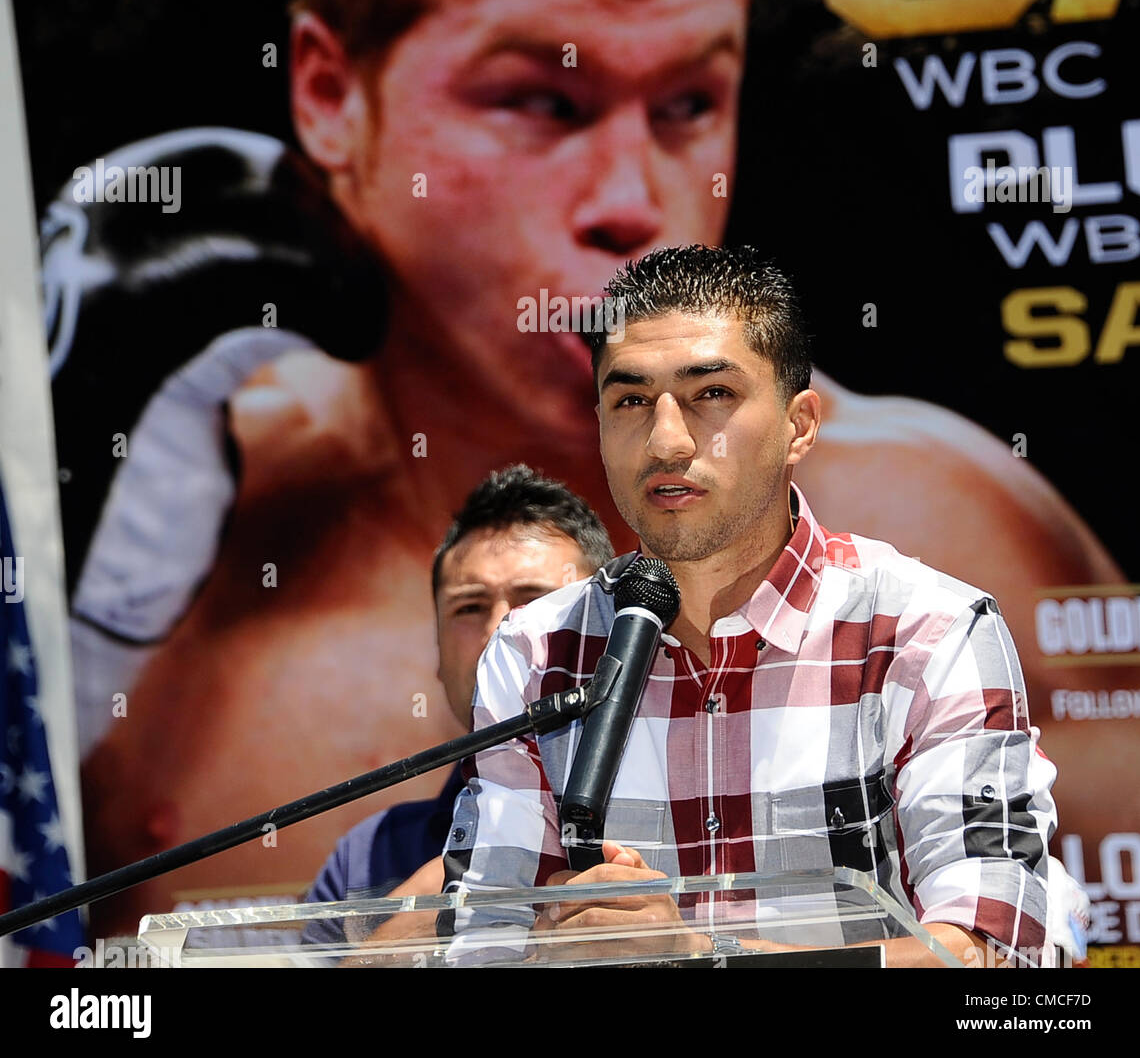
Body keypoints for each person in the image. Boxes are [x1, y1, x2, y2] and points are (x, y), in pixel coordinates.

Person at [69, 0, 1122, 934]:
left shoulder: (944, 578)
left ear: (794, 423)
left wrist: (698, 951)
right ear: (331, 95)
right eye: (543, 100)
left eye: (685, 103)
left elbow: (1015, 968)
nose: (631, 198)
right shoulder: (210, 545)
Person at [441, 244, 1058, 967]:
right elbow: (480, 949)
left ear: (799, 425)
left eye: (711, 395)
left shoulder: (928, 631)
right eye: (631, 400)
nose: (666, 440)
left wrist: (699, 954)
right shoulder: (534, 652)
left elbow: (993, 956)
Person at [300, 463, 612, 956]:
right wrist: (384, 955)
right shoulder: (366, 857)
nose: (501, 633)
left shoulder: (685, 814)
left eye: (536, 602)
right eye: (470, 608)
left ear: (611, 634)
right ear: (438, 657)